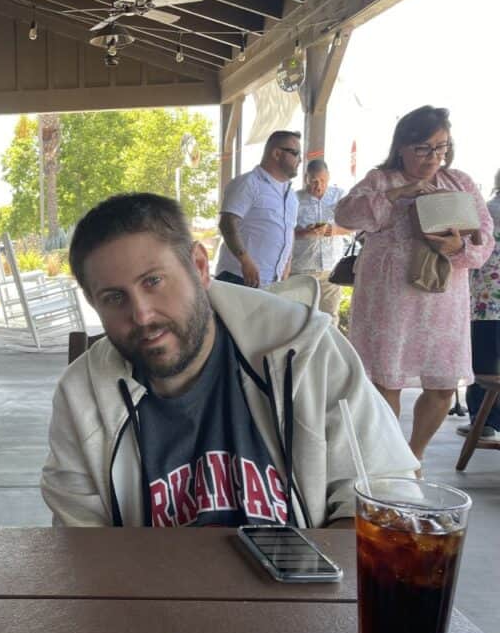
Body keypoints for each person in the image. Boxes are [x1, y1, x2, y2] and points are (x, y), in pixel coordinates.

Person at [41, 192, 417, 528]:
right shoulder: (82, 395)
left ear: (200, 267)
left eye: (154, 281)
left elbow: (388, 497)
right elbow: (83, 550)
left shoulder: (306, 349)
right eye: (114, 298)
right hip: (149, 600)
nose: (142, 314)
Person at [335, 106, 495, 463]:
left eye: (441, 148)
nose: (433, 157)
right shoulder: (380, 180)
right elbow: (346, 214)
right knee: (385, 382)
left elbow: (485, 239)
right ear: (402, 146)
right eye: (424, 148)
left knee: (441, 385)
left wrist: (461, 247)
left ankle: (414, 456)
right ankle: (391, 459)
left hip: (443, 303)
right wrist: (401, 193)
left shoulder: (461, 182)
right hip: (389, 300)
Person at [215, 130, 302, 288]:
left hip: (271, 283)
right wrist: (245, 261)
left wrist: (287, 264)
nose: (300, 160)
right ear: (276, 153)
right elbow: (227, 223)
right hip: (237, 278)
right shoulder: (248, 183)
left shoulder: (292, 197)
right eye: (296, 153)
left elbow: (289, 232)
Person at [461, 169, 500, 438]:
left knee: (483, 366)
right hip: (487, 298)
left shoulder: (488, 211)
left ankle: (482, 421)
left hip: (486, 300)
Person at [291, 160, 353, 326]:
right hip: (302, 268)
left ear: (329, 178)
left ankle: (327, 351)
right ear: (306, 178)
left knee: (329, 318)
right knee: (300, 318)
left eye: (323, 181)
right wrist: (305, 232)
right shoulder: (294, 199)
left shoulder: (340, 196)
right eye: (314, 181)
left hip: (330, 269)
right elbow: (283, 232)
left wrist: (333, 230)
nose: (318, 186)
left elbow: (353, 226)